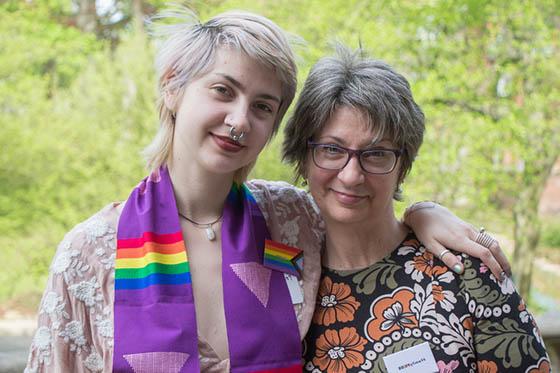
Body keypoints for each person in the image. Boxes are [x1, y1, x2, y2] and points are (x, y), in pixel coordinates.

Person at [25, 9, 510, 373]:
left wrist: (423, 212)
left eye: (262, 106)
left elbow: (365, 209)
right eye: (222, 91)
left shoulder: (291, 217)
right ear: (172, 88)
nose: (239, 120)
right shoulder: (90, 253)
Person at [283, 46, 551, 372]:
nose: (351, 175)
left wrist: (422, 210)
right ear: (304, 156)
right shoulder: (283, 273)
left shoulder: (466, 271)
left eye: (377, 154)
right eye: (331, 149)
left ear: (403, 166)